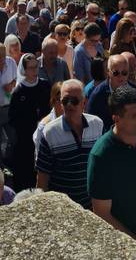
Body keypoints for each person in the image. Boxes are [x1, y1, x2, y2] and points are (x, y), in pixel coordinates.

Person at [88, 84, 136, 246]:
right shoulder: (102, 155)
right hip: (124, 246)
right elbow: (102, 214)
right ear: (116, 119)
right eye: (134, 115)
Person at [35, 78, 103, 208]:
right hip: (62, 210)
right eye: (66, 101)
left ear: (84, 103)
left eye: (74, 101)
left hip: (91, 207)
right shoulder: (49, 133)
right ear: (60, 103)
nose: (69, 105)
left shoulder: (97, 125)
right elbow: (42, 179)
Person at [7, 53, 50, 190]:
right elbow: (12, 118)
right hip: (25, 139)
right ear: (24, 70)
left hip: (44, 134)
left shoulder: (45, 85)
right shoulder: (18, 92)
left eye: (35, 67)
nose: (34, 71)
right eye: (30, 68)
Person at [86, 53, 129, 132]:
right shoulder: (97, 96)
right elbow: (93, 125)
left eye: (124, 73)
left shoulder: (133, 90)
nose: (121, 77)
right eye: (116, 73)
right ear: (108, 72)